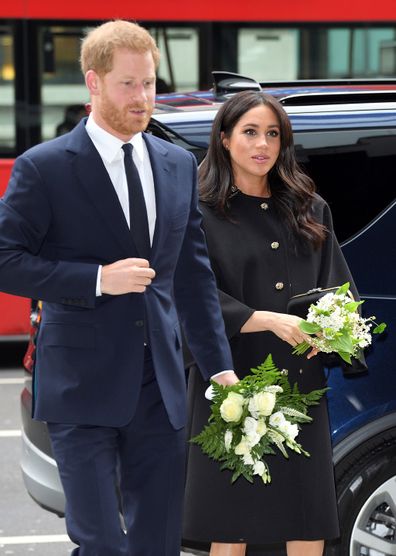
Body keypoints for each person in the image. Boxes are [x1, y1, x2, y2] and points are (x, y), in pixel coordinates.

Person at [0, 20, 236, 556]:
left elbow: (193, 275)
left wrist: (219, 367)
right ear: (94, 83)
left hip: (162, 388)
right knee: (102, 542)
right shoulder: (45, 168)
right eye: (128, 84)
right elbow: (5, 260)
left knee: (158, 543)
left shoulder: (178, 164)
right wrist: (97, 280)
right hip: (81, 389)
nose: (143, 97)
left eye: (150, 83)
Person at [182, 90, 360, 556]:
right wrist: (261, 319)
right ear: (223, 139)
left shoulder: (309, 207)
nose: (263, 144)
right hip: (231, 382)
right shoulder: (197, 212)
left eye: (273, 134)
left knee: (306, 516)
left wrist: (335, 334)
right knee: (232, 521)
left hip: (301, 383)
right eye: (250, 132)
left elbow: (338, 288)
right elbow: (187, 295)